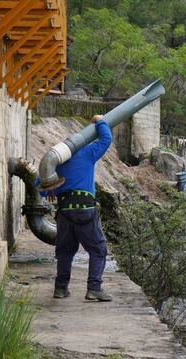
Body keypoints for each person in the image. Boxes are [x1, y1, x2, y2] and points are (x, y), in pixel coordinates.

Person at [40, 114, 113, 301]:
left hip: (64, 213)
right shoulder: (87, 153)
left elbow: (39, 187)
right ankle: (94, 288)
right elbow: (106, 139)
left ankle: (60, 288)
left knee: (65, 252)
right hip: (85, 211)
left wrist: (51, 191)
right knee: (98, 249)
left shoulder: (57, 163)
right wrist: (100, 121)